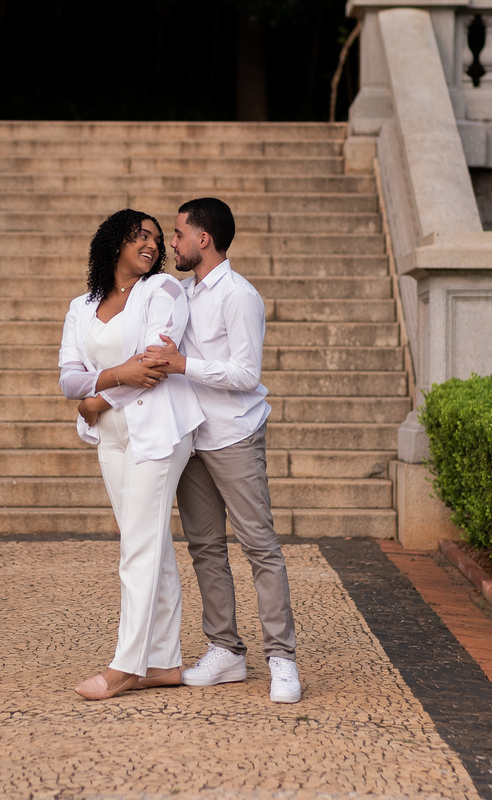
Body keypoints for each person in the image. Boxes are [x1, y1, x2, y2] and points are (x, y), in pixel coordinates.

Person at [146, 197, 301, 704]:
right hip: (191, 435)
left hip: (234, 433)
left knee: (260, 546)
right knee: (206, 547)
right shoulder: (181, 293)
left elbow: (245, 374)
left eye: (177, 234)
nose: (171, 243)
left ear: (202, 239)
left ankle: (282, 658)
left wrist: (181, 364)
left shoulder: (239, 296)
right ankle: (226, 651)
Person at [58, 208, 204, 701]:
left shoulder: (162, 292)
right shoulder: (82, 306)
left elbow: (151, 363)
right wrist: (113, 380)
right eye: (141, 235)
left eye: (158, 239)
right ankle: (162, 663)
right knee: (148, 542)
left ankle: (125, 665)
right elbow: (67, 377)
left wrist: (102, 390)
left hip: (158, 430)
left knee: (138, 546)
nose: (151, 244)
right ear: (114, 241)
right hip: (111, 435)